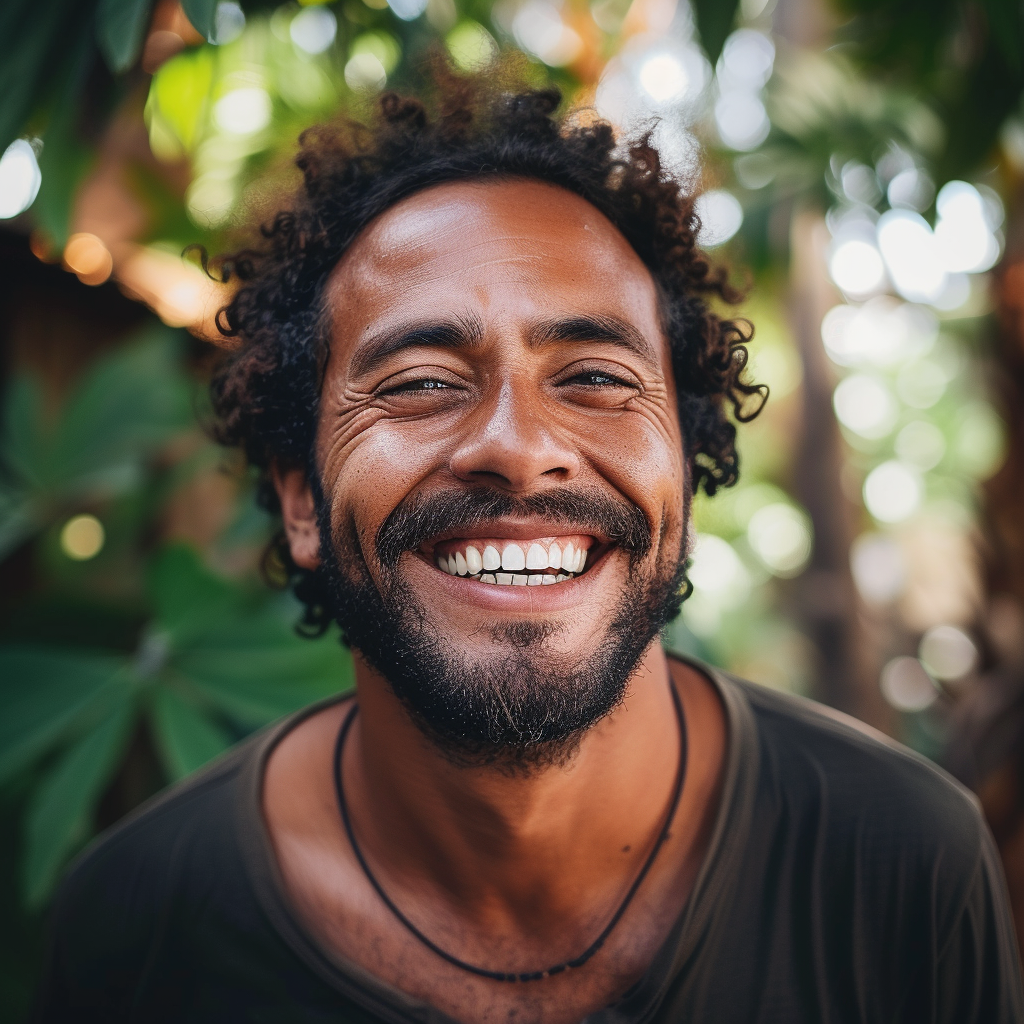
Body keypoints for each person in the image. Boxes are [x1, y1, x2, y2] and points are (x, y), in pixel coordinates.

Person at [34, 69, 1023, 1023]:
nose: (519, 448)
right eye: (420, 382)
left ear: (685, 458)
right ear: (301, 498)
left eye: (593, 376)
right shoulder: (136, 924)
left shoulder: (905, 865)